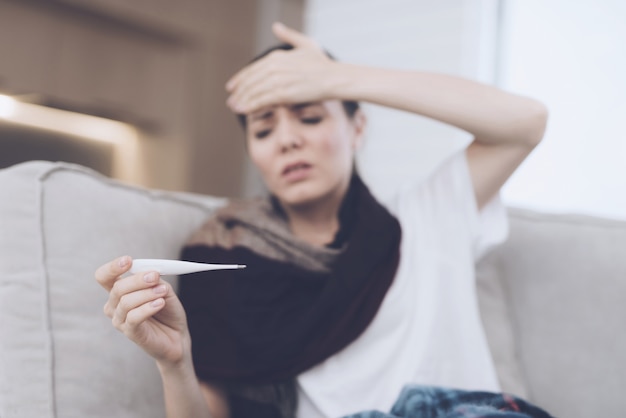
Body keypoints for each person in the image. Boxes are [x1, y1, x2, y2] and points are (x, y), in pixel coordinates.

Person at [95, 22, 549, 418]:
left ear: (358, 128)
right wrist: (175, 365)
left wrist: (339, 77)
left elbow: (525, 122)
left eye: (310, 115)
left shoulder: (428, 215)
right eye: (264, 128)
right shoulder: (223, 256)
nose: (288, 139)